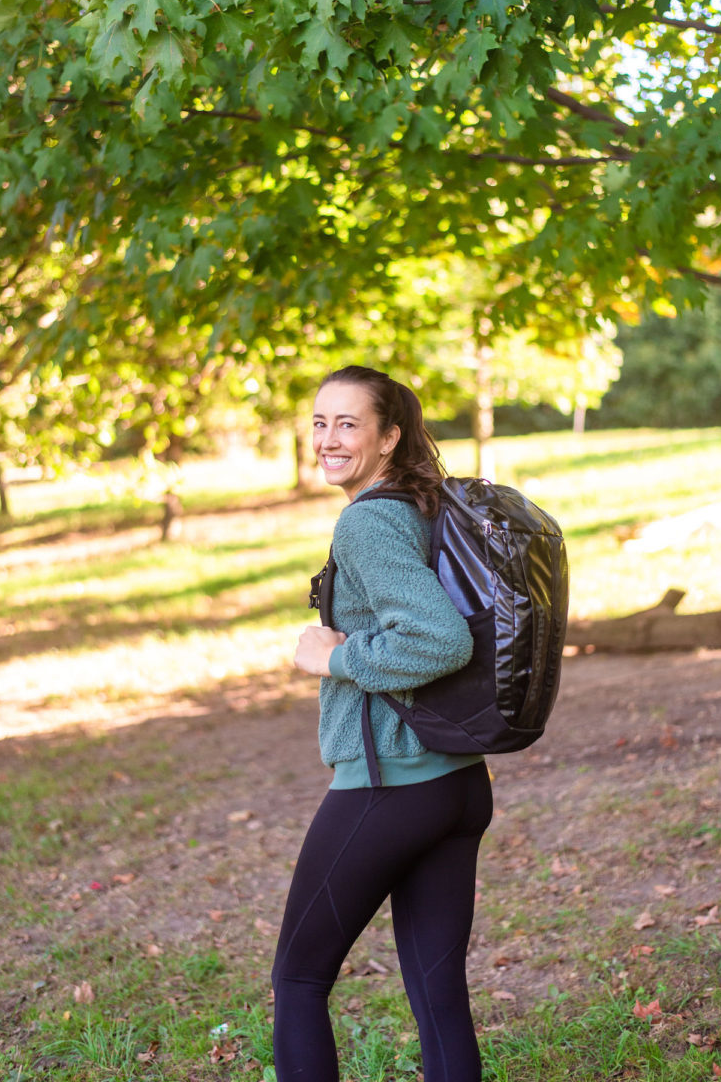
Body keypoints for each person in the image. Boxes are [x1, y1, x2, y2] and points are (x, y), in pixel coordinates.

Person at [271, 365, 494, 1082]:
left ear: (389, 436)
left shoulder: (366, 521)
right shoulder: (424, 506)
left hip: (390, 785)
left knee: (300, 980)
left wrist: (331, 661)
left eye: (348, 423)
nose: (328, 439)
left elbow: (438, 639)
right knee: (436, 993)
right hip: (456, 782)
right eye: (318, 422)